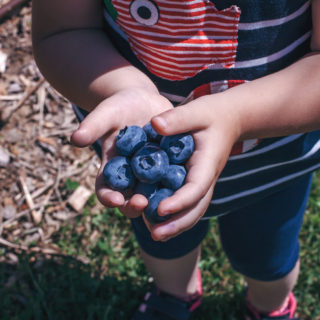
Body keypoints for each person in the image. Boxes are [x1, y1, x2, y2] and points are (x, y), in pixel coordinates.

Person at [31, 0, 320, 318]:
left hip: (271, 170)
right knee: (162, 243)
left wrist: (236, 116)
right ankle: (175, 296)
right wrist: (124, 88)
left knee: (267, 260)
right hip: (148, 184)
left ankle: (270, 307)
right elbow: (62, 30)